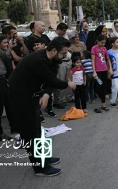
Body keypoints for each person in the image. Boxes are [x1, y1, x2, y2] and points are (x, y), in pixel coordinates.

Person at [8, 37, 76, 176]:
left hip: (33, 95)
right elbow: (53, 80)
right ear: (54, 50)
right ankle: (40, 168)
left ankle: (44, 157)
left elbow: (50, 81)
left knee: (38, 131)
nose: (65, 56)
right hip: (19, 97)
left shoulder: (54, 60)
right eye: (63, 53)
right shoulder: (38, 60)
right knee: (30, 134)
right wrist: (67, 84)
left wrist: (46, 94)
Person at [91, 34, 112, 113]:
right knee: (99, 86)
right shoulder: (94, 48)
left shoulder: (105, 49)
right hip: (98, 71)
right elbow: (93, 60)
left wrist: (109, 69)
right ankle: (97, 98)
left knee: (104, 87)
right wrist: (94, 71)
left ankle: (103, 104)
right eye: (101, 43)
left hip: (104, 70)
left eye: (104, 43)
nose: (103, 44)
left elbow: (107, 59)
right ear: (97, 41)